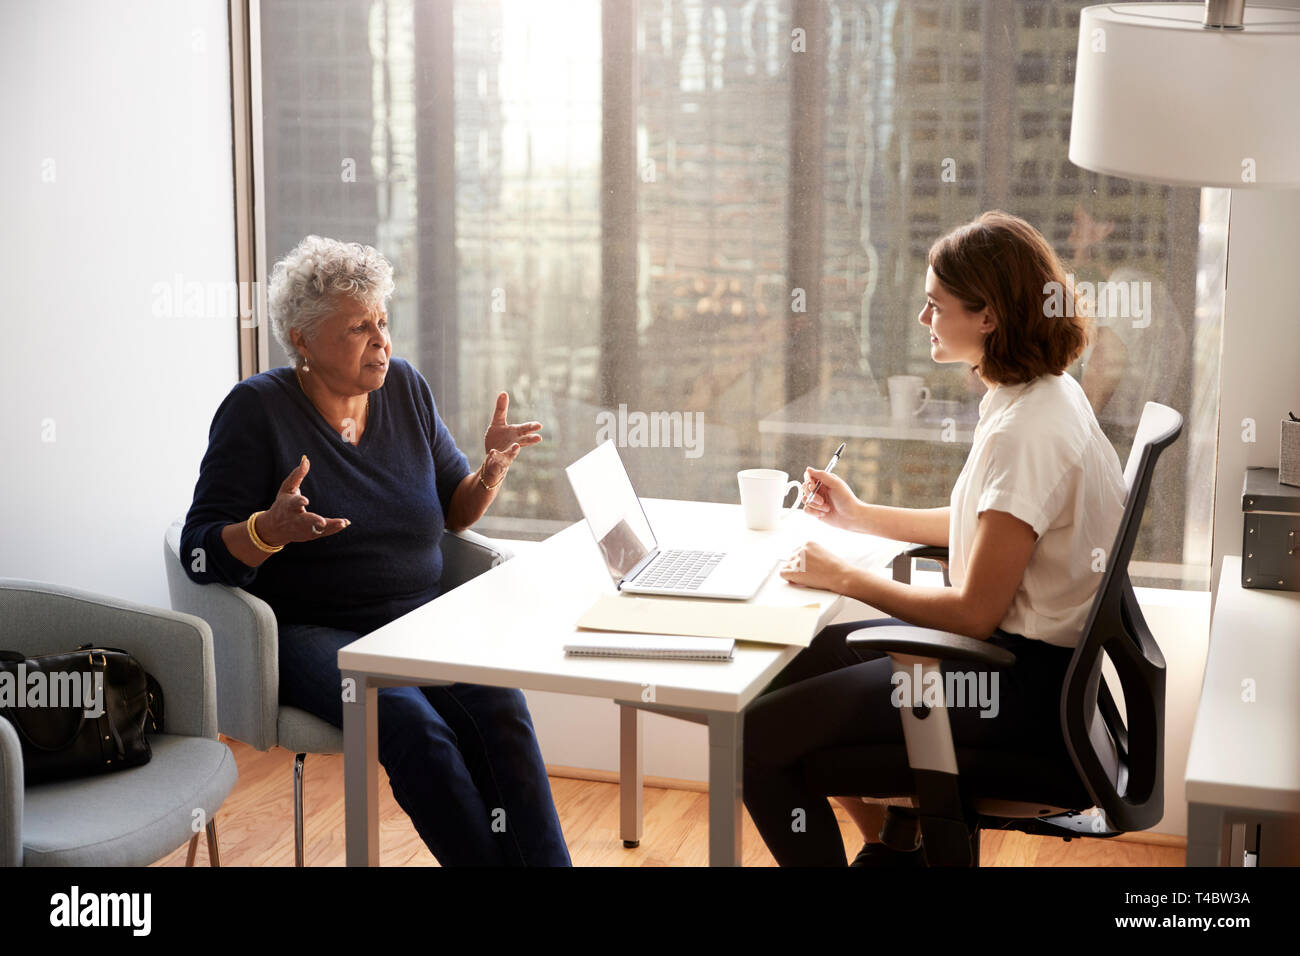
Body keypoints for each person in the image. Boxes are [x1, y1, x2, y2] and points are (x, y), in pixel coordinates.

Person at [743, 210, 1128, 866]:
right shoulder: (1037, 395)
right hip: (1027, 672)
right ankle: (902, 843)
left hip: (1015, 689)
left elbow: (976, 612)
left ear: (987, 316)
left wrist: (844, 577)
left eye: (935, 305)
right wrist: (860, 516)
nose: (924, 321)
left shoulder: (1025, 431)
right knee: (782, 672)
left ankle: (901, 844)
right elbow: (987, 532)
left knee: (755, 736)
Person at [180, 235, 570, 866]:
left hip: (420, 619)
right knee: (416, 730)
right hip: (315, 631)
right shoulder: (256, 411)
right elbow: (198, 551)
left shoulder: (405, 389)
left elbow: (454, 510)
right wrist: (265, 531)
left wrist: (491, 469)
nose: (382, 341)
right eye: (359, 327)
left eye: (383, 321)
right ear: (302, 339)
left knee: (503, 708)